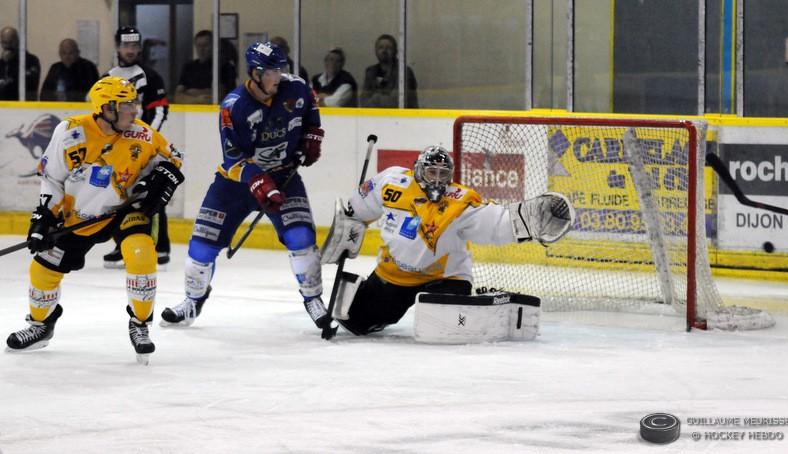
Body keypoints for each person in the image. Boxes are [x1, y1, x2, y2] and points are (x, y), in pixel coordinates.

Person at [4, 76, 185, 364]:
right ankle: (41, 325)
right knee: (43, 270)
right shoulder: (71, 132)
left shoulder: (144, 135)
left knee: (140, 254)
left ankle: (139, 323)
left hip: (125, 210)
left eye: (134, 103)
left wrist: (164, 176)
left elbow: (174, 158)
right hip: (79, 215)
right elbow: (52, 178)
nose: (134, 110)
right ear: (107, 109)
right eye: (126, 105)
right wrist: (43, 218)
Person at [159, 42, 329, 332]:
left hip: (284, 176)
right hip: (234, 184)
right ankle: (192, 301)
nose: (279, 76)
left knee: (301, 237)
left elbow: (310, 110)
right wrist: (259, 181)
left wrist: (312, 135)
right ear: (255, 73)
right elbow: (233, 158)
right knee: (201, 246)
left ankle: (313, 300)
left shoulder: (297, 87)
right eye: (272, 71)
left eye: (280, 69)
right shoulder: (233, 106)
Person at [320, 146, 574, 337]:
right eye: (432, 172)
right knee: (356, 322)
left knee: (443, 333)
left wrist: (528, 220)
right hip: (394, 276)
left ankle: (481, 299)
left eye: (444, 174)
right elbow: (357, 208)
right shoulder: (391, 182)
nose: (437, 180)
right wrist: (349, 228)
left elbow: (494, 222)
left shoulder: (459, 202)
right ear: (418, 170)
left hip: (445, 279)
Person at [102, 26, 172, 268]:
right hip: (117, 148)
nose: (130, 50)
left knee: (152, 193)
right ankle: (122, 243)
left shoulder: (151, 76)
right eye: (126, 45)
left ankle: (160, 246)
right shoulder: (108, 77)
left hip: (145, 148)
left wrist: (147, 140)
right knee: (117, 193)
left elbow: (160, 110)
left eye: (134, 45)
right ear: (117, 47)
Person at [175, 30, 237, 104]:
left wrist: (191, 92)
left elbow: (219, 95)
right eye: (198, 46)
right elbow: (177, 96)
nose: (201, 49)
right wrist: (199, 98)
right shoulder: (188, 67)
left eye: (205, 45)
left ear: (214, 46)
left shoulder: (224, 67)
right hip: (190, 110)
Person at [360, 34, 418, 108]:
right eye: (380, 47)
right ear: (375, 51)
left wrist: (376, 98)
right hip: (374, 115)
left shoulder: (404, 72)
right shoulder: (371, 72)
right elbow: (363, 102)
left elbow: (397, 101)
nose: (384, 51)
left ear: (395, 51)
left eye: (388, 48)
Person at [0, 26, 41, 100]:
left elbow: (30, 84)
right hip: (3, 104)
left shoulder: (31, 60)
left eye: (10, 42)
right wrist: (4, 63)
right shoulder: (2, 63)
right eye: (4, 43)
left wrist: (10, 63)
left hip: (24, 104)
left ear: (17, 41)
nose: (8, 46)